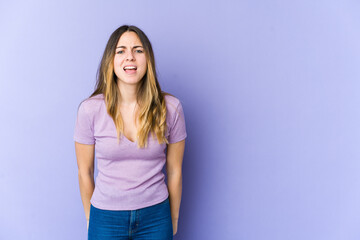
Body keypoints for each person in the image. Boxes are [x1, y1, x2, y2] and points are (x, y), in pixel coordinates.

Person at [73, 25, 187, 239]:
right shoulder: (90, 110)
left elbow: (175, 171)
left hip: (156, 218)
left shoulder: (171, 108)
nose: (130, 57)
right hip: (105, 218)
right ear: (111, 60)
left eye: (138, 50)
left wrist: (173, 218)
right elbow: (84, 172)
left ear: (148, 59)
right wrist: (91, 218)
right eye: (121, 51)